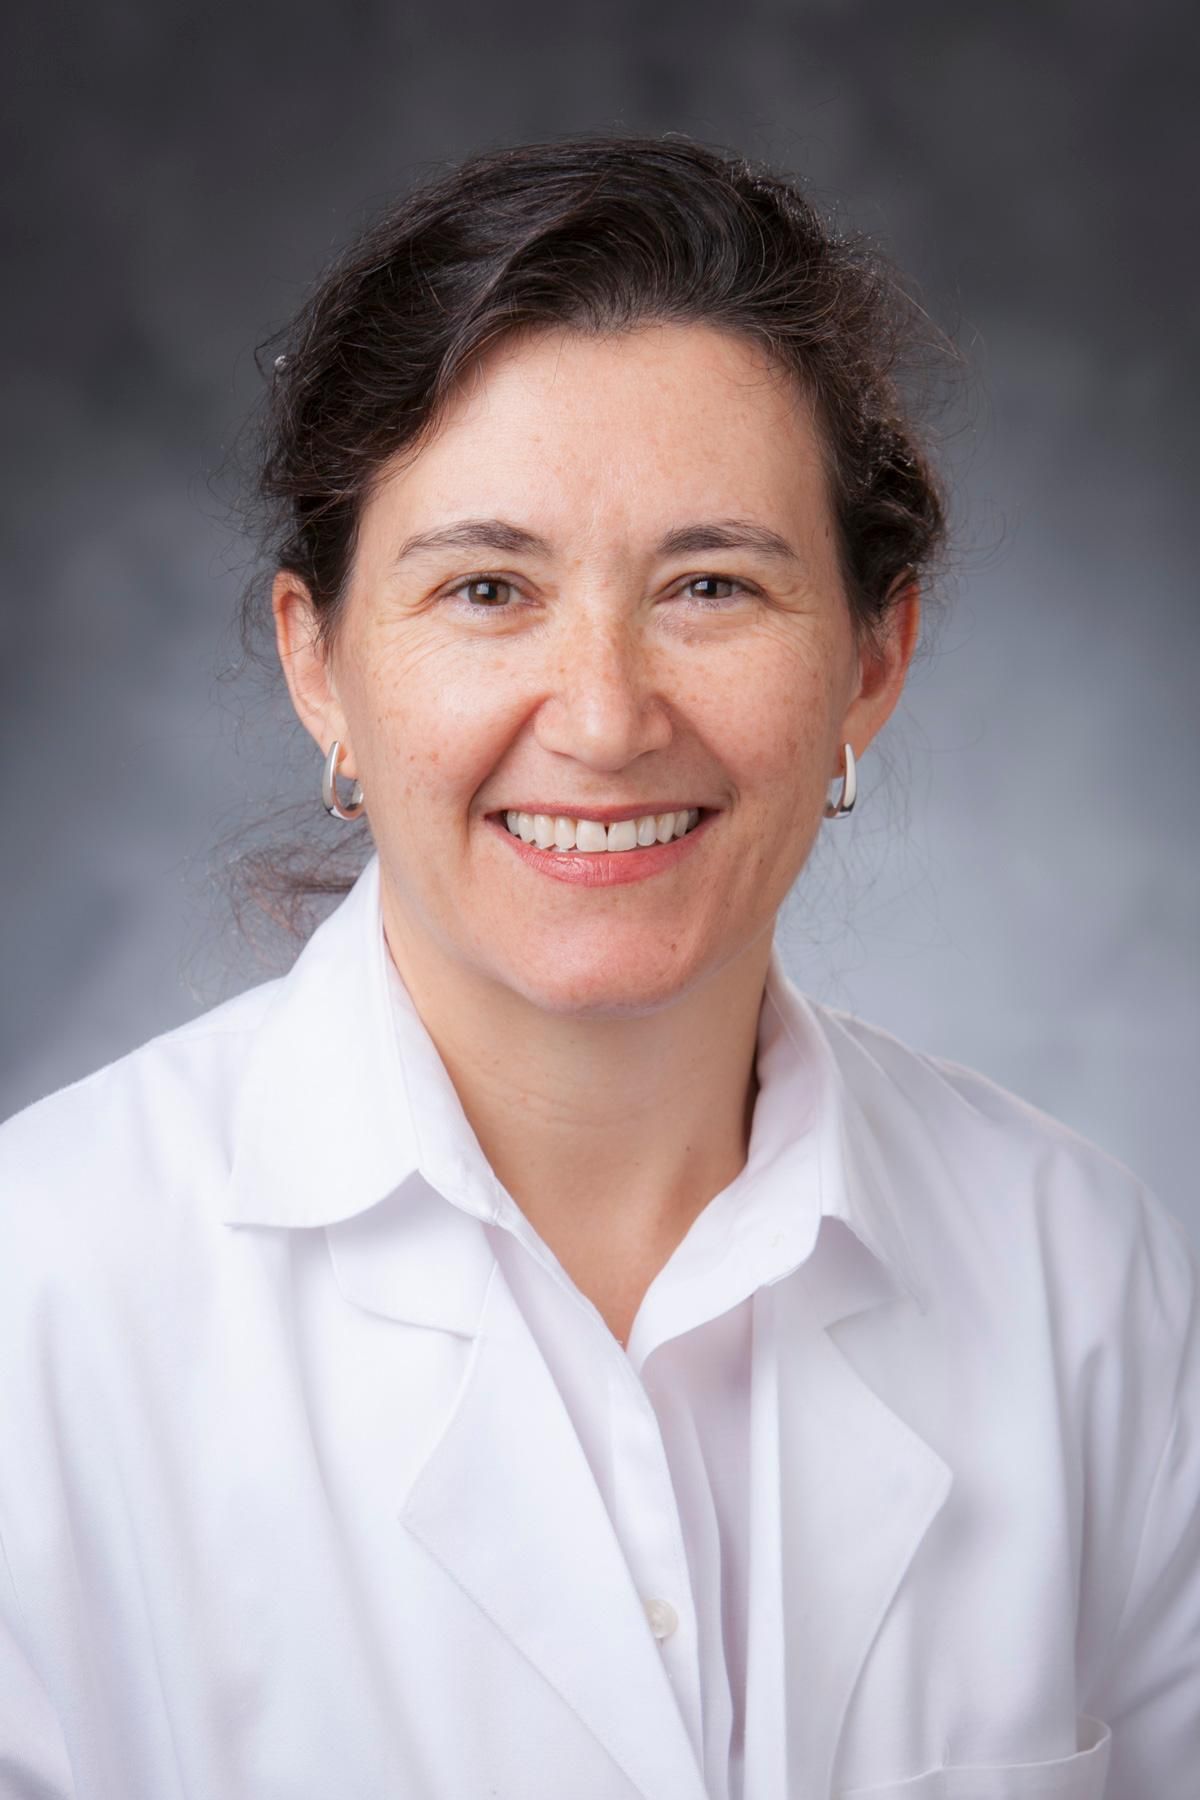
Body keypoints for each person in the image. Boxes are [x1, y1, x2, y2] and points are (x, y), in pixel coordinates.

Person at [0, 133, 1195, 1800]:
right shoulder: (39, 1299)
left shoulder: (1085, 1279)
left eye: (711, 585)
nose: (607, 716)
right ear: (318, 663)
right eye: (488, 588)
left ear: (873, 660)